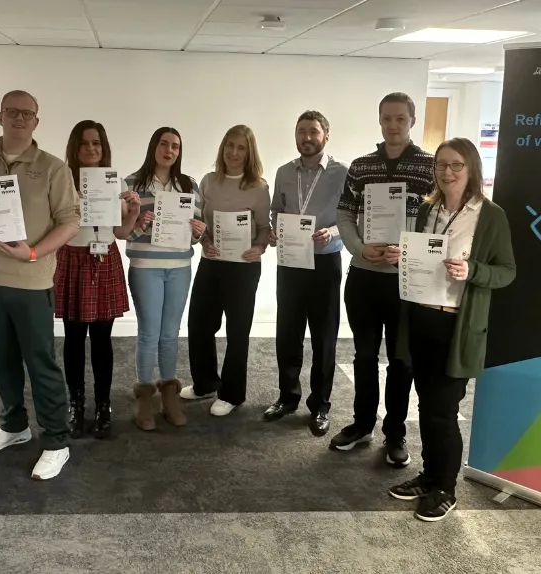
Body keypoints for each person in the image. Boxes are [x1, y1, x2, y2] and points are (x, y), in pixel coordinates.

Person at [384, 137, 515, 521]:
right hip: (420, 319)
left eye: (456, 165)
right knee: (426, 405)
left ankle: (445, 487)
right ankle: (429, 476)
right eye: (441, 164)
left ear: (471, 168)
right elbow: (422, 260)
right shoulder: (428, 210)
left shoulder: (490, 215)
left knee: (443, 409)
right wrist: (401, 259)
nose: (447, 171)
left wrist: (472, 271)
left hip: (456, 325)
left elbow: (507, 271)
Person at [0, 90, 79, 480]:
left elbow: (70, 222)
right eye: (13, 111)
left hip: (31, 280)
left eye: (28, 113)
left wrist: (33, 253)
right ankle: (14, 426)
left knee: (40, 362)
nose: (20, 118)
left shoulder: (53, 168)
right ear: (0, 115)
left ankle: (57, 442)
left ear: (36, 121)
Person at [332, 92, 435, 465]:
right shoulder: (361, 167)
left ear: (411, 121)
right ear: (379, 121)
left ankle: (395, 433)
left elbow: (437, 221)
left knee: (401, 361)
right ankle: (362, 424)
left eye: (401, 119)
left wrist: (409, 252)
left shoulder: (429, 166)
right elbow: (344, 214)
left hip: (406, 280)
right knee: (363, 355)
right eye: (387, 119)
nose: (393, 125)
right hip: (364, 276)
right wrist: (360, 249)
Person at [55, 120, 142, 440]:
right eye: (85, 143)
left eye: (97, 144)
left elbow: (120, 232)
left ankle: (103, 405)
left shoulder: (113, 180)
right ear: (75, 148)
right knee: (74, 337)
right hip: (73, 258)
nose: (91, 149)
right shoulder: (62, 180)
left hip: (104, 258)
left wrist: (132, 211)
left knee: (103, 339)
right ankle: (76, 405)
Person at [264, 111, 349, 436]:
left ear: (325, 135)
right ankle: (288, 397)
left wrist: (333, 233)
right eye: (301, 132)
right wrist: (272, 231)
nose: (307, 137)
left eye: (313, 131)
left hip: (325, 262)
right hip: (290, 262)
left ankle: (321, 405)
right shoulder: (285, 172)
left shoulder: (342, 172)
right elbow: (276, 210)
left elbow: (350, 215)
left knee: (324, 337)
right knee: (288, 333)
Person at [183, 125, 270, 417]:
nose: (234, 152)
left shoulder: (259, 187)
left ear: (249, 152)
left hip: (244, 267)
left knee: (237, 331)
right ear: (222, 148)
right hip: (212, 262)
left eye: (241, 147)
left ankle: (232, 393)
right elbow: (202, 223)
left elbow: (263, 229)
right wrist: (204, 241)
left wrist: (259, 248)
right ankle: (205, 383)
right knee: (199, 324)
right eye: (229, 146)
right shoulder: (208, 181)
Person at [124, 127, 206, 431]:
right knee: (149, 333)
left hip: (179, 267)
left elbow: (197, 236)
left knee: (170, 333)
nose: (169, 150)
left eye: (175, 146)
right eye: (164, 144)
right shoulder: (132, 184)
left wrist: (199, 232)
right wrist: (139, 222)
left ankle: (169, 396)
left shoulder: (190, 185)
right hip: (145, 266)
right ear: (153, 146)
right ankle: (145, 395)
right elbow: (123, 234)